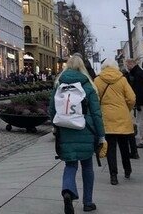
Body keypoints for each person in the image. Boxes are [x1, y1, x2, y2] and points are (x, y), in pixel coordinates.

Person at [48, 54, 105, 214]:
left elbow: (51, 109)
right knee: (87, 166)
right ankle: (88, 202)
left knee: (70, 164)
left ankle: (68, 191)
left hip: (65, 130)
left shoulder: (59, 84)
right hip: (86, 129)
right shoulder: (88, 86)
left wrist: (56, 125)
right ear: (82, 68)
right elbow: (96, 113)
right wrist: (101, 135)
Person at [94, 59, 136, 185]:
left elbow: (94, 99)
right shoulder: (122, 79)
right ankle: (127, 170)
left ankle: (113, 175)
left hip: (106, 117)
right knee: (124, 145)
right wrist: (126, 108)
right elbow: (131, 98)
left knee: (111, 148)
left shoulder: (97, 80)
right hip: (122, 116)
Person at [124, 59, 143, 150]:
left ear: (131, 64)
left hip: (141, 101)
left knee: (140, 121)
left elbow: (138, 90)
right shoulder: (139, 72)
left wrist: (138, 103)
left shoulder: (137, 74)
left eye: (127, 66)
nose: (127, 68)